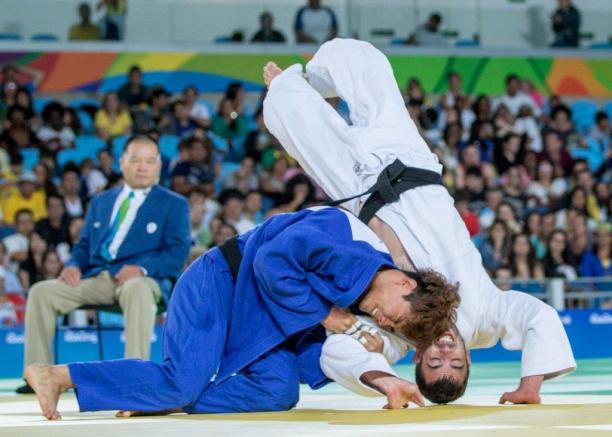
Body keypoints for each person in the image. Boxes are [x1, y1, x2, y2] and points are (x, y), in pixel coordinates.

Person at [263, 38, 575, 405]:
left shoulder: (395, 335)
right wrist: (530, 385)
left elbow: (336, 356)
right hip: (410, 162)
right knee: (363, 60)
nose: (445, 350)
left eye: (434, 361)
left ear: (417, 357)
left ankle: (287, 85)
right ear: (469, 358)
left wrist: (384, 380)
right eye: (455, 361)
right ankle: (314, 80)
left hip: (356, 185)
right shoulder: (487, 315)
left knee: (290, 112)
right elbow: (539, 316)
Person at [25, 205, 460, 420]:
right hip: (219, 283)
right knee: (180, 381)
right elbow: (271, 261)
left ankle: (162, 397)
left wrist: (383, 378)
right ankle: (59, 376)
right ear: (405, 282)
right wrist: (327, 316)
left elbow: (336, 355)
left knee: (278, 391)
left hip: (261, 317)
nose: (383, 322)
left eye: (392, 328)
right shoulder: (344, 236)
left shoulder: (360, 287)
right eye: (395, 317)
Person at [17, 135, 191, 394]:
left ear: (158, 166)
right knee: (42, 292)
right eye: (135, 160)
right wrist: (74, 264)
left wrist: (141, 269)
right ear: (122, 163)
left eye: (150, 161)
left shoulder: (174, 204)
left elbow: (177, 252)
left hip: (142, 280)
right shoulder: (101, 201)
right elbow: (84, 245)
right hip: (97, 277)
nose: (142, 167)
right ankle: (39, 377)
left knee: (138, 289)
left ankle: (132, 378)